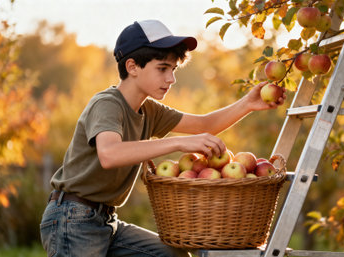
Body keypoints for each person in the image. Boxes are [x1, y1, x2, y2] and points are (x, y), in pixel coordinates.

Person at [39, 19, 285, 257]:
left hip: (106, 221)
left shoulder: (149, 110)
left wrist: (248, 104)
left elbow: (205, 124)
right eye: (162, 69)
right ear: (132, 67)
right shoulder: (107, 104)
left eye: (173, 69)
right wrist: (177, 142)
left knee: (171, 254)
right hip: (73, 217)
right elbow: (109, 154)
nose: (171, 79)